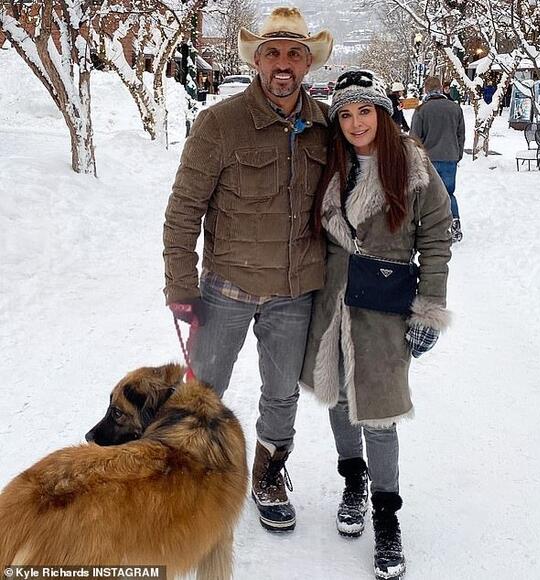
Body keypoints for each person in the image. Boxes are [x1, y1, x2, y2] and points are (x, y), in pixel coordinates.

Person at [163, 7, 333, 532]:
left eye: (294, 54)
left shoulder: (326, 126)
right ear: (257, 60)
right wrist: (181, 284)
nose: (283, 63)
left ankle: (268, 473)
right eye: (272, 52)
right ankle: (190, 476)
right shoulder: (220, 123)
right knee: (204, 389)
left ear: (308, 63)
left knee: (282, 392)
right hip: (226, 288)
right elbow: (183, 209)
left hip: (294, 291)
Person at [301, 70, 452, 580]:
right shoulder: (331, 164)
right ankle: (353, 481)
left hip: (385, 309)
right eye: (345, 114)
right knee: (339, 399)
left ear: (383, 114)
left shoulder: (412, 167)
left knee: (381, 414)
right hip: (331, 303)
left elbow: (436, 237)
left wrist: (429, 307)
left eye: (364, 110)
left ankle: (387, 517)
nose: (355, 123)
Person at [410, 76, 465, 243]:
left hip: (428, 160)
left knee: (427, 195)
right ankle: (455, 224)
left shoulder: (421, 110)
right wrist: (457, 154)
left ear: (426, 90)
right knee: (448, 193)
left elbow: (414, 138)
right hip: (450, 158)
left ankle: (430, 228)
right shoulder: (455, 108)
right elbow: (460, 135)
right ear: (441, 88)